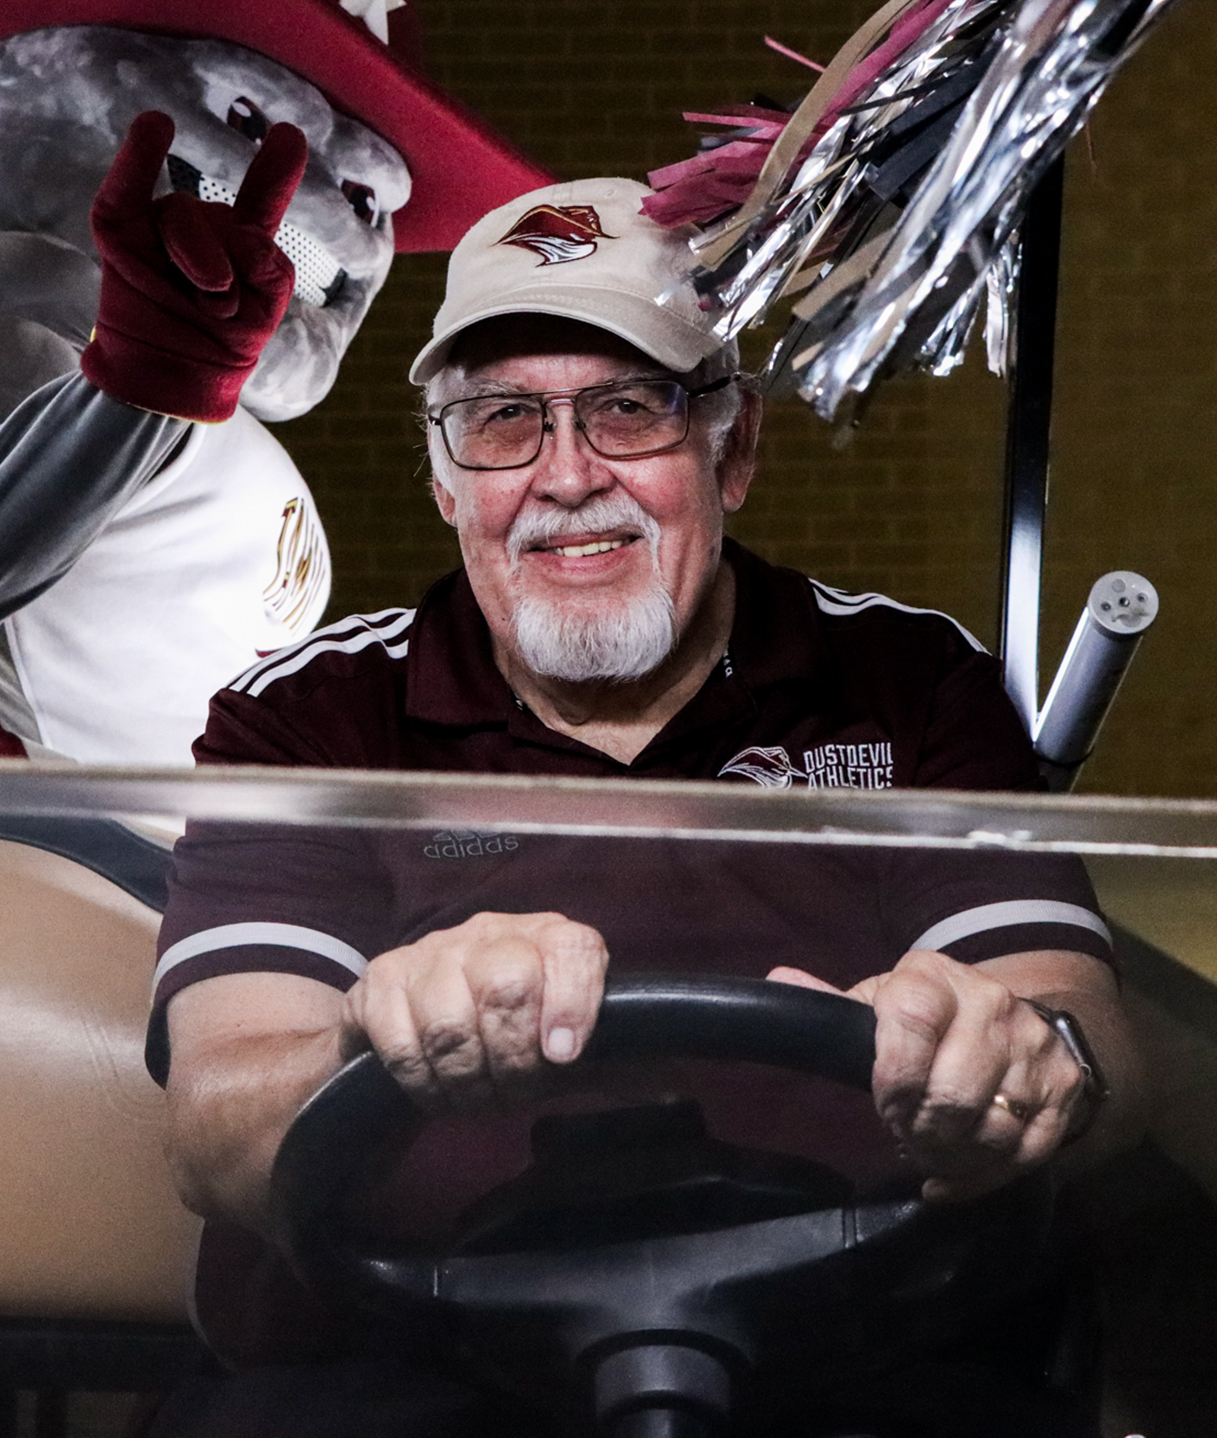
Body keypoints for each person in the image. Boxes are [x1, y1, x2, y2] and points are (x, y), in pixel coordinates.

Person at [147, 178, 1142, 1433]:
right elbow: (217, 1136)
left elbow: (1085, 1038)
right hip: (404, 1361)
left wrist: (1018, 1057)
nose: (567, 477)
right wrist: (373, 1037)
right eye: (505, 419)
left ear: (733, 451)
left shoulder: (908, 685)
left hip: (851, 1354)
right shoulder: (309, 722)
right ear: (448, 482)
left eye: (630, 409)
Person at [0, 0, 550, 763]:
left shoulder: (188, 419)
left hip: (126, 876)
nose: (330, 217)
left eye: (364, 197)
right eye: (246, 121)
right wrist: (139, 383)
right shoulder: (17, 341)